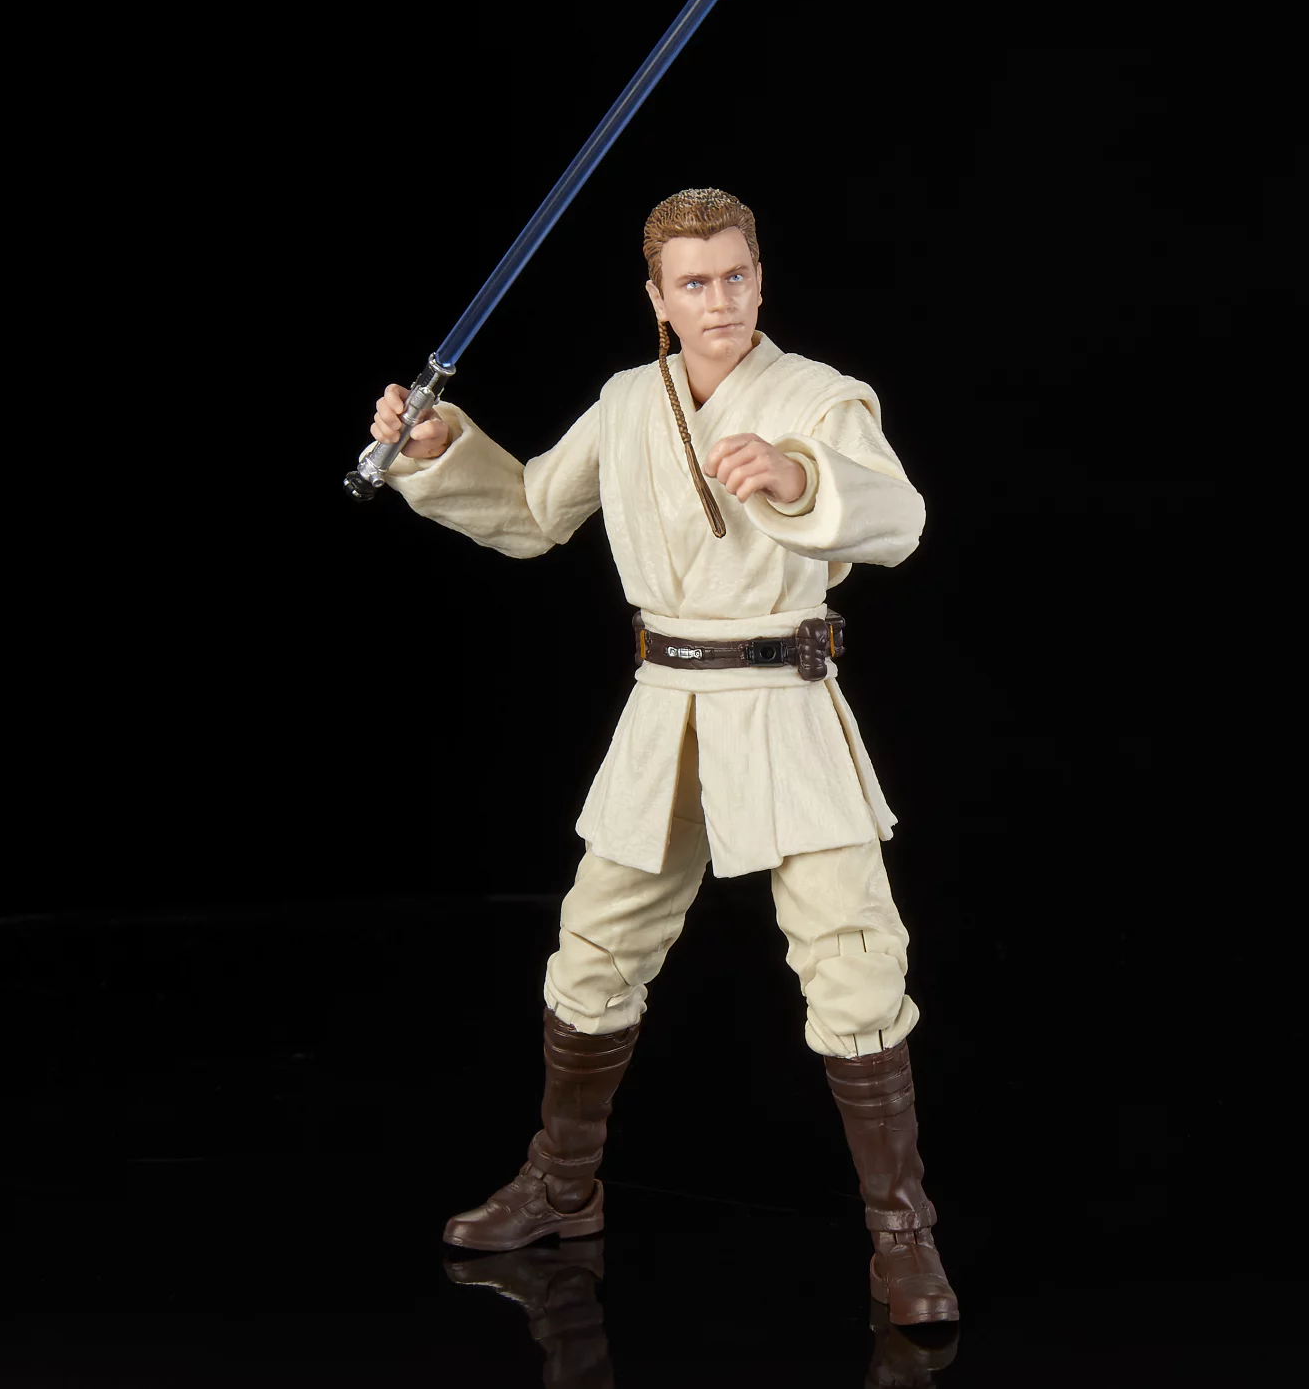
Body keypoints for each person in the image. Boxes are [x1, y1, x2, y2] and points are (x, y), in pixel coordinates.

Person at [368, 189, 957, 1326]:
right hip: (667, 703)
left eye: (735, 275)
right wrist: (438, 450)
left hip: (782, 702)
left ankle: (903, 1232)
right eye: (695, 283)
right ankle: (561, 1184)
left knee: (852, 958)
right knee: (596, 946)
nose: (720, 299)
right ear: (658, 299)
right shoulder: (628, 402)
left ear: (760, 278)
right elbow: (533, 510)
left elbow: (900, 519)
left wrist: (799, 480)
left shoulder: (819, 396)